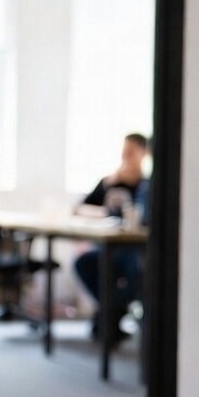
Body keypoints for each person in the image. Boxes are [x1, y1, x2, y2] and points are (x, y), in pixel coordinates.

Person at [72, 132, 149, 343]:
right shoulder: (109, 182)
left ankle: (110, 312)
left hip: (134, 250)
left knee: (138, 272)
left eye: (131, 152)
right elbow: (79, 208)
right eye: (124, 152)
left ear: (144, 154)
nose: (126, 157)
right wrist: (105, 208)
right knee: (83, 263)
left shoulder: (146, 186)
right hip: (108, 247)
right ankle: (112, 311)